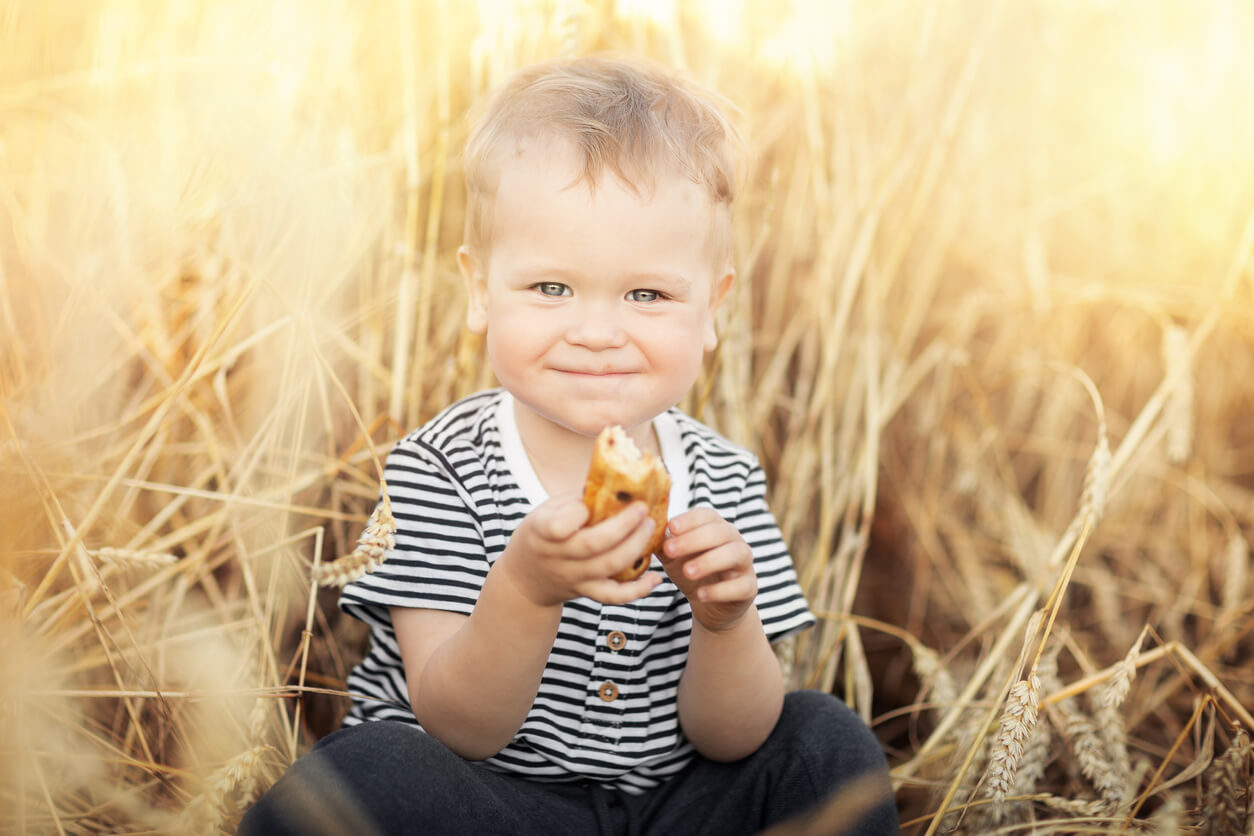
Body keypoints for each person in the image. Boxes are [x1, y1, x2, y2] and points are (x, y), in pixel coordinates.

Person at [240, 54, 898, 836]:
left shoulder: (724, 477)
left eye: (647, 294)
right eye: (552, 288)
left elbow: (734, 738)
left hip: (675, 811)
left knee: (824, 743)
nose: (596, 332)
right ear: (481, 288)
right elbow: (458, 724)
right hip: (488, 805)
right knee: (367, 775)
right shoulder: (442, 464)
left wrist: (725, 622)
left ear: (713, 306)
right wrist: (525, 587)